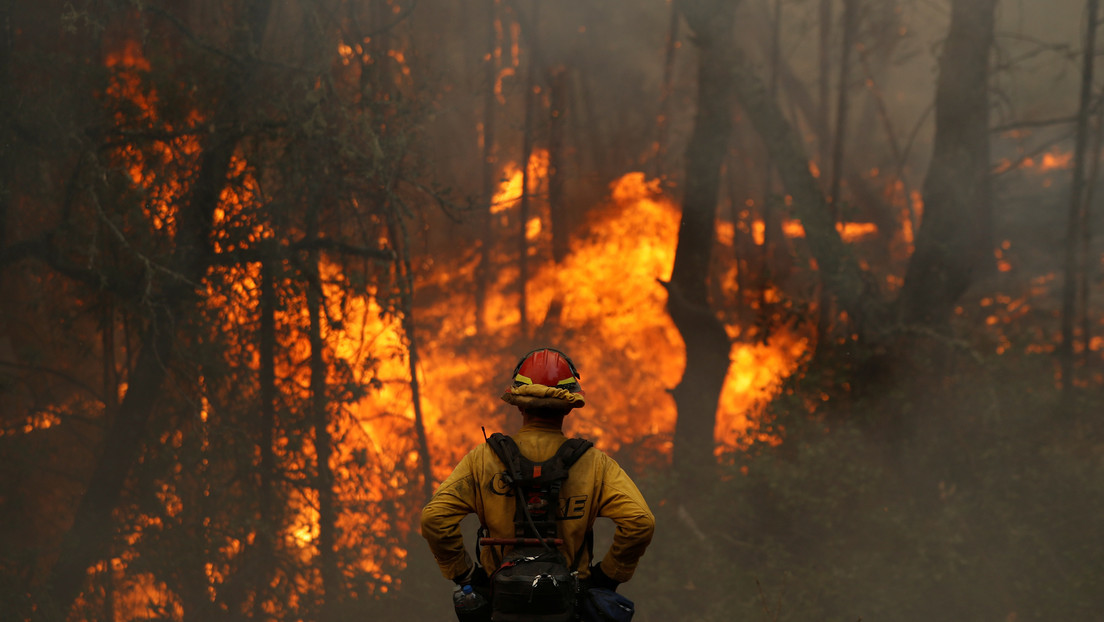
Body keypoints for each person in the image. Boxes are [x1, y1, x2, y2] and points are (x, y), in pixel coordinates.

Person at [421, 347, 655, 620]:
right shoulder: (594, 464)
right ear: (569, 406)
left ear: (519, 404)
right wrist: (607, 576)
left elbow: (434, 519)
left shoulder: (483, 460)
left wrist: (467, 575)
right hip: (570, 609)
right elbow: (640, 523)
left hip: (500, 607)